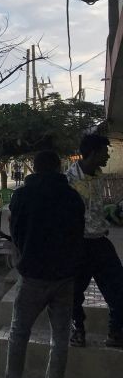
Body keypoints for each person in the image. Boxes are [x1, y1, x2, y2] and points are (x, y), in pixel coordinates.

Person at [0, 150, 85, 378]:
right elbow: (79, 234)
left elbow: (16, 233)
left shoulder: (22, 196)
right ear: (58, 169)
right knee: (60, 339)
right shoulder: (72, 197)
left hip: (32, 276)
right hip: (64, 278)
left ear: (34, 167)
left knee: (19, 334)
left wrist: (25, 255)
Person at [65, 133, 123, 348]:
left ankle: (116, 332)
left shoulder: (98, 176)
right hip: (78, 244)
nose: (107, 157)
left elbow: (95, 209)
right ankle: (77, 330)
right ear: (93, 153)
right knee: (73, 293)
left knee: (118, 288)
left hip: (100, 242)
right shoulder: (69, 180)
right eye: (104, 153)